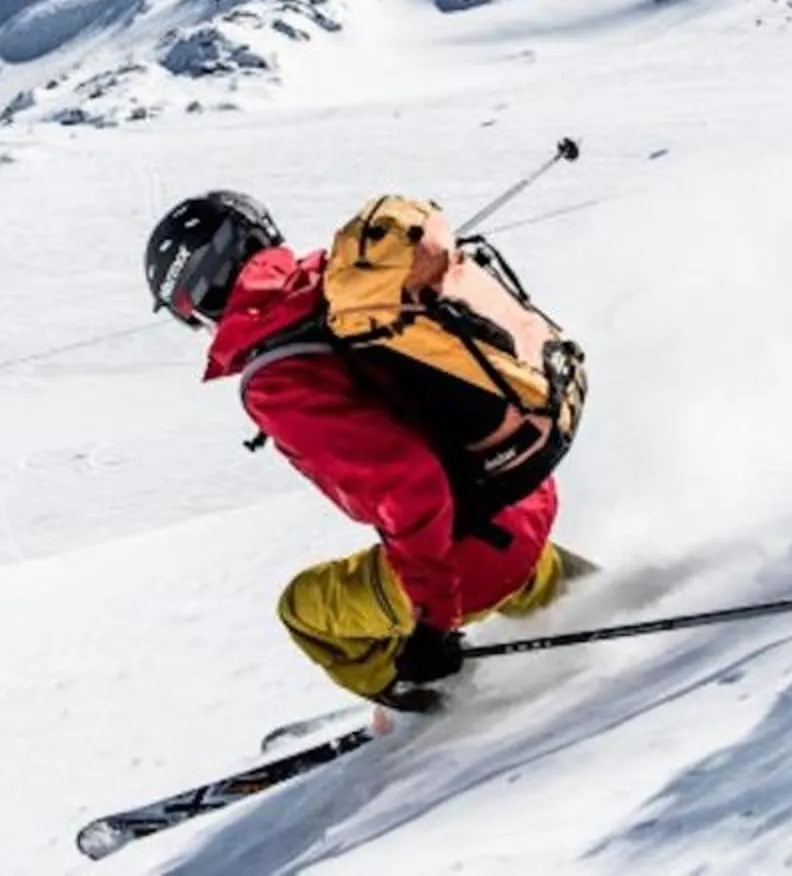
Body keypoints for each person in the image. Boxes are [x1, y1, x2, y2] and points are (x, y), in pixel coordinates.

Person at [146, 191, 571, 711]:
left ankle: (436, 710)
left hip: (470, 556)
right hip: (523, 489)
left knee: (306, 611)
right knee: (516, 562)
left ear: (198, 296)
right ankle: (626, 596)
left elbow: (409, 485)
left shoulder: (276, 378)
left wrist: (433, 623)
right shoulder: (347, 286)